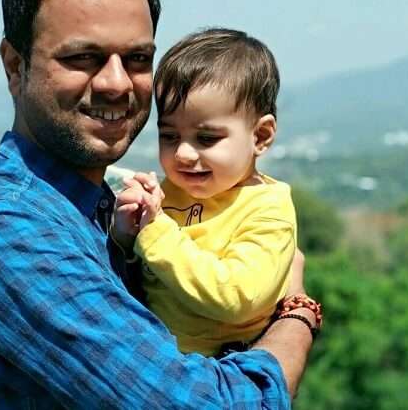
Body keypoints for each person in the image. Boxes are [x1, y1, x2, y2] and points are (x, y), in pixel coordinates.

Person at [0, 0, 320, 409]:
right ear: (15, 65)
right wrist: (295, 316)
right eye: (82, 57)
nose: (117, 83)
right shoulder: (8, 226)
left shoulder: (104, 212)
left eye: (137, 58)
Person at [112, 28, 304, 357]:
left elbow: (237, 298)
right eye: (170, 136)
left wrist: (155, 231)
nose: (184, 154)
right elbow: (144, 270)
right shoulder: (169, 192)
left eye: (206, 138)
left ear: (260, 136)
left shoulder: (267, 210)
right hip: (154, 358)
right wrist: (125, 233)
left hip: (219, 371)